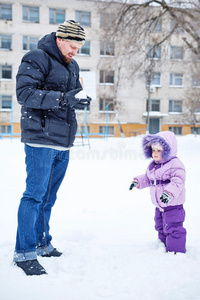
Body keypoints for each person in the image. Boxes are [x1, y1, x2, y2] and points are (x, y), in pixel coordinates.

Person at [13, 20, 92, 276]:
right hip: (40, 139)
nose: (75, 51)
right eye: (72, 45)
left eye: (79, 47)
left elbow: (70, 98)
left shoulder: (73, 65)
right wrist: (63, 99)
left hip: (62, 142)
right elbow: (24, 94)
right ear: (60, 39)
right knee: (34, 196)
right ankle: (24, 253)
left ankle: (42, 243)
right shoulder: (37, 57)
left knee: (48, 198)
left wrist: (78, 101)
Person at [129, 131, 186, 254]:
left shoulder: (175, 164)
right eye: (153, 150)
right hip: (160, 206)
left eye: (158, 150)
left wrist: (169, 193)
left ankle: (176, 252)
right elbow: (149, 179)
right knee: (160, 226)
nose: (155, 153)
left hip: (173, 205)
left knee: (174, 227)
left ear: (167, 150)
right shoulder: (153, 165)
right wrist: (138, 182)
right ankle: (163, 246)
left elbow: (178, 181)